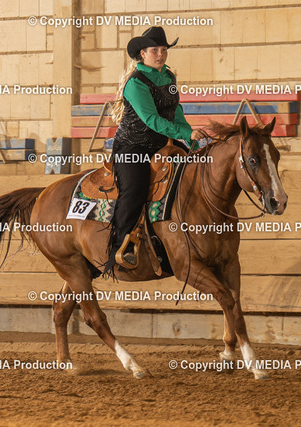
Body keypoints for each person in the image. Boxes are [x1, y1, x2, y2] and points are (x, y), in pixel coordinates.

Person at [103, 26, 205, 276]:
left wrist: (189, 137)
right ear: (142, 54)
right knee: (135, 189)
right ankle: (121, 248)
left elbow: (175, 112)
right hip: (133, 146)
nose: (160, 54)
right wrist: (183, 134)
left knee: (197, 173)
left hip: (162, 144)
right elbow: (151, 119)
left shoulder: (169, 77)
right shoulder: (135, 83)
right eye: (155, 50)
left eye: (163, 50)